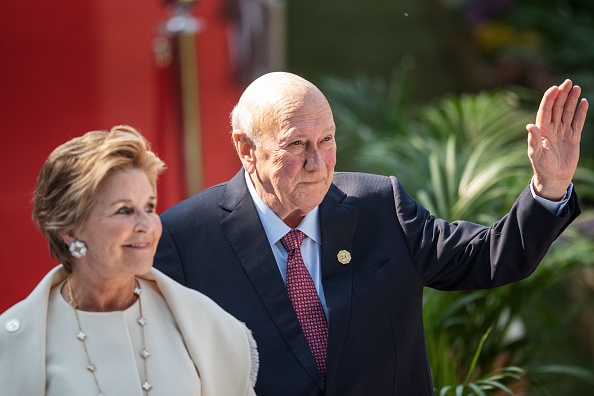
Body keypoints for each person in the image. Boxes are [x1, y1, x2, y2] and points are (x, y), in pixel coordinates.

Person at [154, 72, 588, 395]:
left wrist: (549, 188)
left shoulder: (380, 206)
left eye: (326, 140)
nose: (318, 163)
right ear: (246, 149)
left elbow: (491, 257)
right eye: (296, 145)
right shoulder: (187, 239)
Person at [0, 126, 259, 395]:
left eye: (149, 207)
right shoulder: (14, 344)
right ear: (69, 229)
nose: (146, 224)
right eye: (124, 210)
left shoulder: (205, 324)